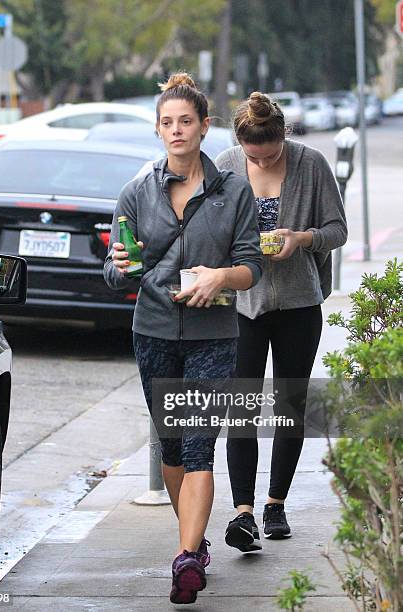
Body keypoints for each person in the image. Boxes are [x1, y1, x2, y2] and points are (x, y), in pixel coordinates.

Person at [104, 73, 262, 604]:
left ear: (204, 127)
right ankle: (191, 547)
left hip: (213, 334)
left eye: (186, 121)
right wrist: (121, 266)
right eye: (167, 123)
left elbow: (252, 268)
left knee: (198, 448)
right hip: (152, 334)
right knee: (171, 447)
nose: (177, 130)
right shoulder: (135, 191)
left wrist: (220, 276)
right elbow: (113, 271)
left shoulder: (232, 190)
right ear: (158, 129)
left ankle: (186, 559)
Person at [215, 92, 347, 553]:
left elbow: (338, 229)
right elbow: (207, 228)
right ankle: (243, 513)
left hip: (298, 304)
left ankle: (275, 505)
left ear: (284, 136)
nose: (263, 160)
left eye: (271, 153)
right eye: (255, 155)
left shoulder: (311, 164)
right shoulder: (226, 165)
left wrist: (302, 237)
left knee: (290, 406)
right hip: (241, 304)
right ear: (240, 145)